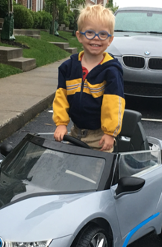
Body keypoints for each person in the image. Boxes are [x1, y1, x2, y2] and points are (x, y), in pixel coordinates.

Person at [53, 4, 125, 152]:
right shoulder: (68, 67)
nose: (96, 39)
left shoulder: (111, 70)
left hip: (100, 138)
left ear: (110, 39)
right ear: (79, 36)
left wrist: (110, 133)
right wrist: (61, 123)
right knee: (69, 169)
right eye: (90, 33)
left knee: (96, 172)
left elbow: (114, 104)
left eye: (103, 34)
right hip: (75, 132)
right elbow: (61, 98)